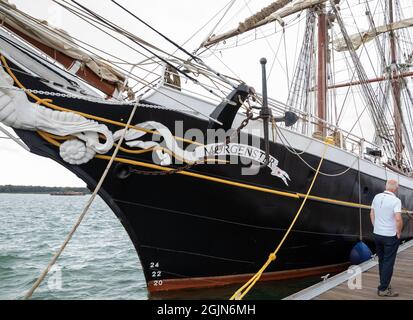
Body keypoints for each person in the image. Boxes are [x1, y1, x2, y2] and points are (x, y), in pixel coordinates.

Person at [370, 179, 403, 297]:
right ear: (395, 188)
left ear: (386, 186)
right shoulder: (396, 201)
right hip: (390, 236)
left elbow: (371, 214)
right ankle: (383, 289)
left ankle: (384, 283)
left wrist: (376, 227)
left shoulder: (376, 197)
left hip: (377, 234)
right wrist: (398, 232)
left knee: (382, 260)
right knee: (388, 262)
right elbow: (398, 219)